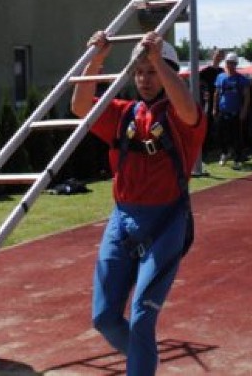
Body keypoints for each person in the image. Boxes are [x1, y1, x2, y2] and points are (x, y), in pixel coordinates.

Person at [71, 30, 205, 376]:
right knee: (104, 318)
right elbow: (80, 107)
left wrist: (158, 58)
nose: (145, 78)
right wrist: (96, 59)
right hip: (122, 220)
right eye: (140, 71)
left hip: (166, 222)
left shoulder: (182, 119)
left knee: (143, 319)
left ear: (169, 72)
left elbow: (188, 109)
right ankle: (143, 362)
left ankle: (141, 365)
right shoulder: (123, 114)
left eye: (152, 71)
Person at [213, 52, 251, 169]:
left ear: (236, 64)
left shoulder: (241, 79)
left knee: (236, 136)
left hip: (235, 112)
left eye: (233, 63)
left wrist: (244, 110)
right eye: (228, 63)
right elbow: (217, 93)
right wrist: (214, 108)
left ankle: (238, 158)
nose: (230, 66)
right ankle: (224, 153)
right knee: (219, 134)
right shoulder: (221, 77)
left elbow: (246, 95)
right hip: (222, 110)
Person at [198, 48, 225, 158]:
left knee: (220, 125)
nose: (219, 57)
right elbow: (198, 83)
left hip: (220, 101)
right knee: (207, 124)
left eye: (221, 55)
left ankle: (220, 149)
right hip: (208, 102)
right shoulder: (205, 71)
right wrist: (204, 92)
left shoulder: (223, 72)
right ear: (213, 56)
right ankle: (204, 150)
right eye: (217, 55)